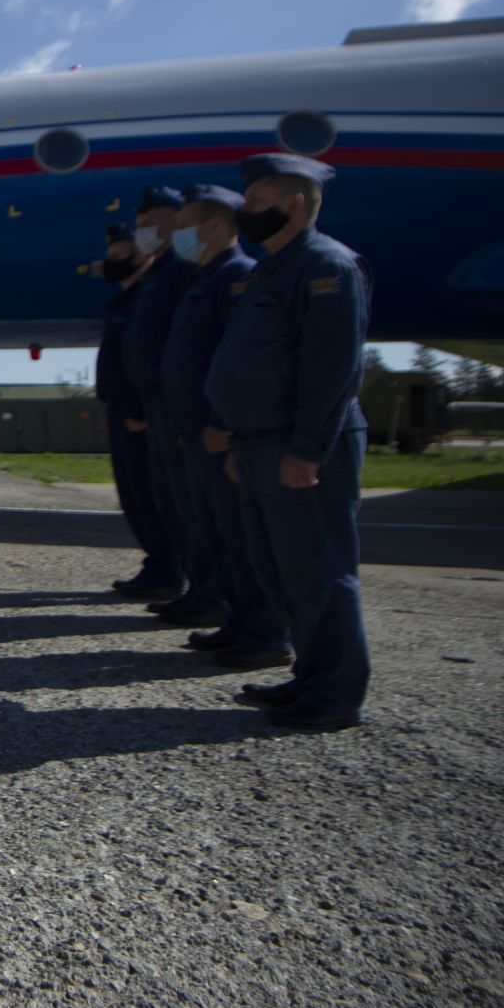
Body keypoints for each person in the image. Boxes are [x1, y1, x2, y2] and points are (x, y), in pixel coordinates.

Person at [206, 154, 372, 731]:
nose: (246, 212)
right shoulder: (274, 268)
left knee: (319, 572)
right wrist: (238, 443)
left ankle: (335, 697)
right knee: (281, 570)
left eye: (254, 203)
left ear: (294, 203)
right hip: (258, 443)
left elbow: (332, 369)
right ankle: (310, 676)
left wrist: (308, 449)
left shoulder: (327, 266)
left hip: (297, 446)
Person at [155, 186, 292, 668]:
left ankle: (265, 633)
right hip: (195, 428)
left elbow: (237, 361)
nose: (175, 234)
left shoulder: (236, 277)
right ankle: (239, 622)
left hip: (217, 430)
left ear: (214, 226)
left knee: (241, 536)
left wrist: (222, 423)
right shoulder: (204, 277)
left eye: (184, 223)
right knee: (216, 531)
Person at [115, 185, 196, 604]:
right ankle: (172, 572)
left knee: (178, 502)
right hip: (144, 405)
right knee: (151, 497)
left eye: (147, 224)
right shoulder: (150, 282)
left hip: (158, 406)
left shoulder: (180, 272)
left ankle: (196, 584)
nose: (139, 232)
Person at [94, 222, 179, 598]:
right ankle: (160, 566)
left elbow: (151, 360)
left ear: (142, 255)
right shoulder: (127, 299)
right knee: (134, 497)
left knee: (149, 495)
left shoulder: (147, 297)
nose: (110, 262)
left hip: (139, 414)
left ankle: (169, 570)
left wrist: (140, 409)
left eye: (118, 255)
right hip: (123, 410)